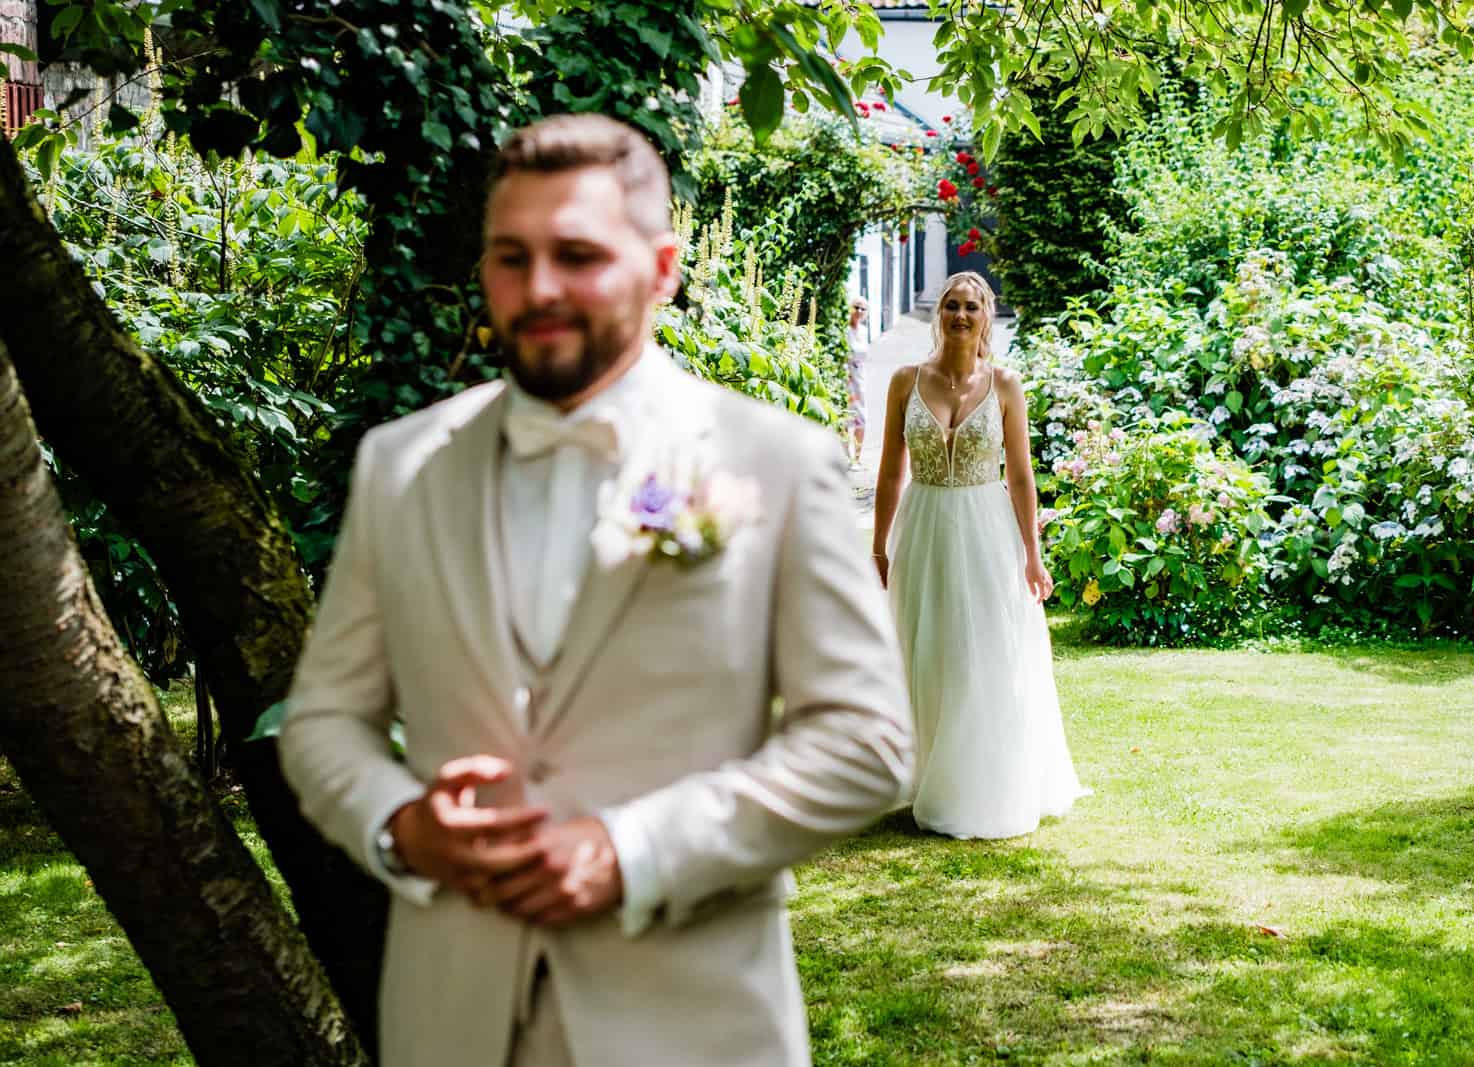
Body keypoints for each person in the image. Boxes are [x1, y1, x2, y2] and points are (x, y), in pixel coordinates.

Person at [279, 114, 914, 1067]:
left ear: (661, 269)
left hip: (692, 1015)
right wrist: (402, 824)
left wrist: (633, 849)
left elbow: (867, 741)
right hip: (450, 1015)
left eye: (576, 255)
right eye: (509, 257)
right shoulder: (400, 467)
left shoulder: (777, 465)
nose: (537, 289)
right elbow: (323, 718)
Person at [870, 271, 1089, 840]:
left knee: (982, 649)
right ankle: (921, 771)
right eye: (951, 306)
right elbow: (890, 472)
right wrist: (877, 544)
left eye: (971, 306)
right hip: (923, 526)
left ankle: (977, 780)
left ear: (986, 316)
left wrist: (1033, 556)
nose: (960, 316)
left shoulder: (1006, 385)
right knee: (925, 646)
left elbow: (1020, 476)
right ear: (938, 315)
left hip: (986, 529)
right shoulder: (903, 383)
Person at [844, 297, 871, 466]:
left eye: (863, 309)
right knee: (845, 418)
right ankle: (845, 457)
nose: (859, 312)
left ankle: (857, 458)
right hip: (846, 378)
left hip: (860, 379)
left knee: (861, 418)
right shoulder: (844, 330)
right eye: (856, 307)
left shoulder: (863, 331)